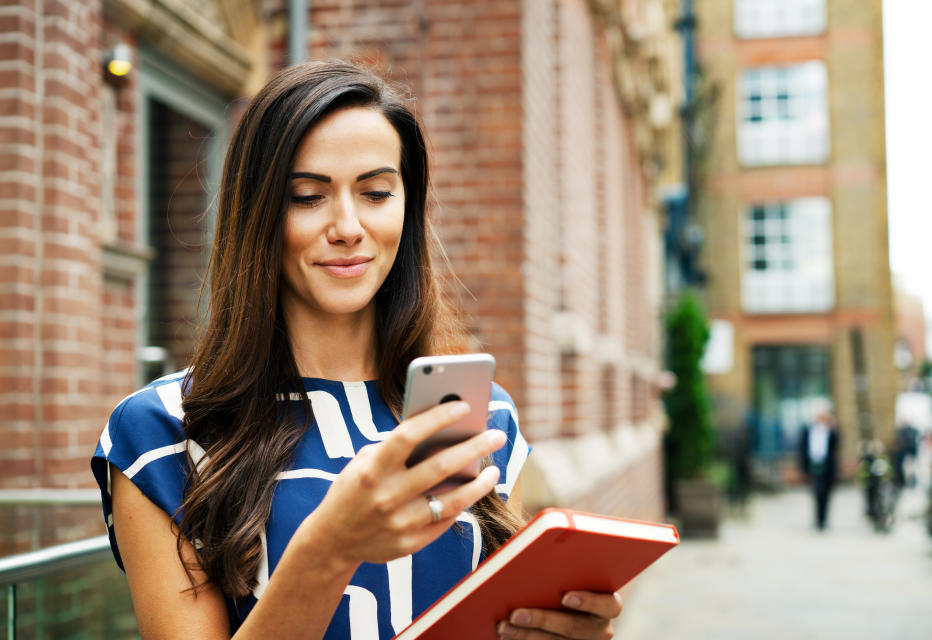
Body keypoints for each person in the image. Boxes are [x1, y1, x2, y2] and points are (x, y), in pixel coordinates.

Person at [91, 61, 623, 639]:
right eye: (307, 197)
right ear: (259, 215)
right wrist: (328, 550)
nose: (348, 226)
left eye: (374, 193)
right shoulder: (161, 432)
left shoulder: (475, 416)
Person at [798, 410, 840, 530]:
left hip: (827, 467)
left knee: (826, 494)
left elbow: (836, 443)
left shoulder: (830, 430)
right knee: (817, 492)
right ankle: (817, 519)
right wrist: (803, 467)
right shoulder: (808, 430)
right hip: (813, 465)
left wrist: (832, 428)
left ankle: (823, 520)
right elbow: (802, 448)